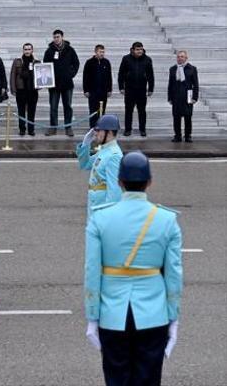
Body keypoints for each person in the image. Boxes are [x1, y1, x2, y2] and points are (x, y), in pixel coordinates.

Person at [84, 151, 182, 386]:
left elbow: (91, 270)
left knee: (116, 377)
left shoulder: (100, 217)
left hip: (112, 312)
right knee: (148, 378)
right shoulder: (166, 219)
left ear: (119, 182)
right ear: (149, 182)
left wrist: (92, 316)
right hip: (153, 312)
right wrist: (173, 316)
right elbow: (174, 274)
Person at [76, 114, 124, 218]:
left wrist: (107, 218)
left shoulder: (114, 156)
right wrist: (85, 144)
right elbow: (85, 165)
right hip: (95, 208)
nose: (96, 133)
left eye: (99, 130)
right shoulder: (105, 150)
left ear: (110, 132)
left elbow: (114, 192)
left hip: (102, 213)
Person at [43, 29, 80, 136]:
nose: (56, 39)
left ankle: (68, 127)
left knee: (67, 106)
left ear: (62, 37)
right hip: (54, 84)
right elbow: (45, 66)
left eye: (58, 37)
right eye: (54, 37)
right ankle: (53, 127)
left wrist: (70, 74)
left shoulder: (70, 50)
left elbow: (76, 63)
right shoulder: (49, 51)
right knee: (53, 106)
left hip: (67, 84)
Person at [118, 41, 155, 137]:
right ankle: (127, 129)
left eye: (141, 49)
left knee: (142, 111)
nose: (139, 51)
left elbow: (151, 75)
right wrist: (121, 87)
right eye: (137, 49)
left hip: (142, 89)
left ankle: (142, 129)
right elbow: (121, 73)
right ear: (133, 50)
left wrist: (150, 88)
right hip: (129, 89)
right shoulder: (126, 59)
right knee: (128, 110)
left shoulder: (147, 60)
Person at [167, 50, 199, 143]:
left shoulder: (192, 69)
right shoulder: (172, 69)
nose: (180, 58)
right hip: (176, 96)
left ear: (186, 58)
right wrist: (169, 97)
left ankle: (188, 135)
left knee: (188, 117)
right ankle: (177, 135)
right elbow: (170, 83)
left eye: (182, 56)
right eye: (178, 56)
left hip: (187, 95)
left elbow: (195, 84)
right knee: (176, 117)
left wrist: (195, 97)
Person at [10, 43, 40, 136]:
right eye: (25, 49)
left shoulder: (37, 62)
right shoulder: (17, 61)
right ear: (23, 50)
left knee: (32, 111)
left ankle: (31, 129)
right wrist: (13, 89)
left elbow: (41, 75)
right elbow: (13, 75)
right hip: (21, 90)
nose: (27, 51)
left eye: (29, 49)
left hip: (32, 90)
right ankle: (22, 129)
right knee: (21, 111)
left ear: (32, 50)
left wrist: (40, 86)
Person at [83, 44, 113, 129]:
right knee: (93, 111)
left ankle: (101, 127)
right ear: (96, 52)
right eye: (100, 52)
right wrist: (86, 90)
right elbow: (85, 77)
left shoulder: (106, 62)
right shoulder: (89, 62)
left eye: (103, 52)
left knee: (102, 110)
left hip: (103, 91)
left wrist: (109, 89)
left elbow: (109, 76)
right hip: (93, 92)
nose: (102, 54)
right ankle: (92, 128)